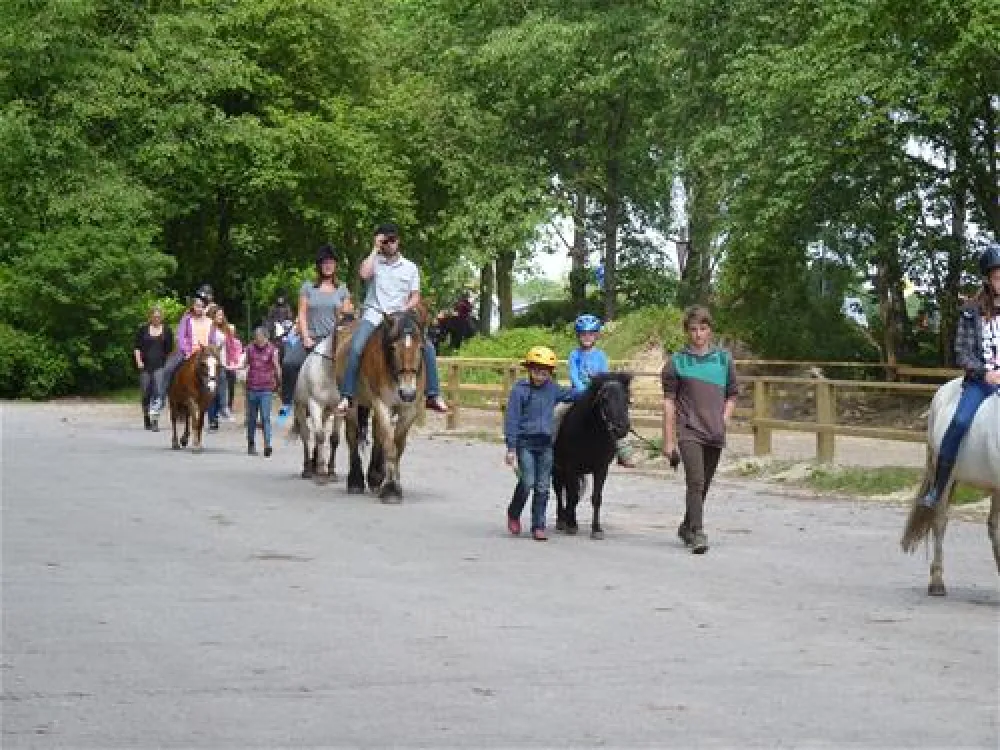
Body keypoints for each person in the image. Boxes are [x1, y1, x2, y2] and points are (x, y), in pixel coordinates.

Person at [336, 223, 449, 415]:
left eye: (392, 240)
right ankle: (347, 395)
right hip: (375, 314)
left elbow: (415, 296)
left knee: (427, 347)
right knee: (356, 346)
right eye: (385, 241)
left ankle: (433, 394)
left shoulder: (410, 267)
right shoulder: (374, 262)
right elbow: (363, 274)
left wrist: (406, 309)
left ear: (398, 241)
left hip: (401, 317)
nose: (389, 244)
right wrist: (374, 249)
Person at [919, 244, 1000, 508]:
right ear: (988, 279)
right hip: (980, 382)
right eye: (998, 276)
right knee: (960, 422)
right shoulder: (971, 311)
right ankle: (938, 487)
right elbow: (962, 352)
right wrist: (984, 373)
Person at [661, 305, 738, 554]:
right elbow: (669, 403)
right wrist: (669, 441)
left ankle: (686, 525)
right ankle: (698, 532)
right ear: (686, 332)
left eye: (703, 329)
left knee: (703, 484)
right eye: (693, 329)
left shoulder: (723, 360)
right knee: (695, 480)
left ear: (710, 330)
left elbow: (732, 395)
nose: (698, 334)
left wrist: (724, 419)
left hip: (714, 430)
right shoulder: (676, 362)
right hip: (689, 429)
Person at [504, 346, 577, 541]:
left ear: (550, 373)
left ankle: (538, 525)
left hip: (545, 444)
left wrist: (591, 389)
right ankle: (514, 512)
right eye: (536, 370)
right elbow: (511, 419)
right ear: (529, 369)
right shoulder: (520, 391)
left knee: (543, 486)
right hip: (525, 443)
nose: (540, 375)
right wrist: (511, 448)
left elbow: (572, 395)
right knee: (528, 482)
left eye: (544, 372)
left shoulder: (552, 389)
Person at [277, 244, 353, 424]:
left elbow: (346, 315)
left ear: (335, 265)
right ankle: (287, 403)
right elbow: (302, 314)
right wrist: (305, 337)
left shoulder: (342, 289)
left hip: (334, 340)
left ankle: (350, 401)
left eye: (331, 262)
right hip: (312, 337)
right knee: (289, 363)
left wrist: (347, 312)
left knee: (353, 364)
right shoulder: (307, 288)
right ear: (319, 265)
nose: (328, 265)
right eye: (324, 262)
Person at [559, 313, 637, 467]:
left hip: (598, 394)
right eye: (583, 334)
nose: (587, 337)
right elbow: (574, 374)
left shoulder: (601, 356)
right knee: (558, 412)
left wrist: (599, 392)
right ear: (578, 336)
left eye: (590, 334)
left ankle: (623, 451)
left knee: (616, 415)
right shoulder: (574, 355)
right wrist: (583, 390)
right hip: (578, 394)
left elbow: (605, 377)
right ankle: (551, 443)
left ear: (596, 336)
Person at [153, 291, 224, 418]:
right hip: (188, 351)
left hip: (205, 353)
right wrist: (187, 351)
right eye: (197, 306)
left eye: (201, 306)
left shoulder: (210, 322)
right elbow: (181, 337)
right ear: (193, 307)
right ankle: (160, 400)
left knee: (221, 373)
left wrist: (211, 352)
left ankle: (222, 406)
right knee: (168, 369)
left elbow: (212, 340)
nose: (199, 309)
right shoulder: (186, 319)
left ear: (204, 308)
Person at [133, 306, 173, 430]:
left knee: (158, 392)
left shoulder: (167, 330)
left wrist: (167, 365)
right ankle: (146, 417)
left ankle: (155, 420)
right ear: (150, 317)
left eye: (159, 316)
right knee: (146, 393)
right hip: (145, 366)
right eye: (154, 316)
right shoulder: (143, 329)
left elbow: (169, 350)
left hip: (160, 366)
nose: (157, 319)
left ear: (162, 317)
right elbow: (137, 348)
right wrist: (139, 361)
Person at [245, 326, 281, 457]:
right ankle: (251, 443)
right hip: (252, 387)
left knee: (265, 417)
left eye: (260, 337)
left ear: (266, 338)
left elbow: (276, 366)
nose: (257, 339)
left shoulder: (272, 350)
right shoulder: (249, 348)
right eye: (256, 337)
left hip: (266, 388)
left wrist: (279, 382)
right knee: (252, 419)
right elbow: (245, 364)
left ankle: (267, 444)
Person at [207, 307, 242, 431]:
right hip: (212, 363)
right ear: (212, 315)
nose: (220, 317)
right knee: (213, 392)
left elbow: (230, 346)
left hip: (223, 363)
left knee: (222, 389)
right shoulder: (209, 329)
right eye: (218, 315)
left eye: (222, 315)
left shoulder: (225, 329)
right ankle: (213, 419)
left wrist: (232, 360)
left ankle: (222, 409)